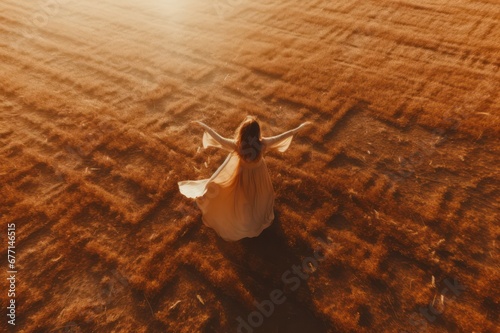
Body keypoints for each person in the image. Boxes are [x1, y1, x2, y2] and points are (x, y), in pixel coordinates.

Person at [178, 116, 311, 241]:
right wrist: (298, 128)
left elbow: (219, 139)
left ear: (242, 132)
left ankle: (245, 218)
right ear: (257, 133)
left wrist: (204, 126)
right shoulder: (263, 143)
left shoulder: (237, 145)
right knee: (258, 195)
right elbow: (283, 136)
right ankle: (255, 216)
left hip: (243, 177)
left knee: (243, 198)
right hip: (259, 175)